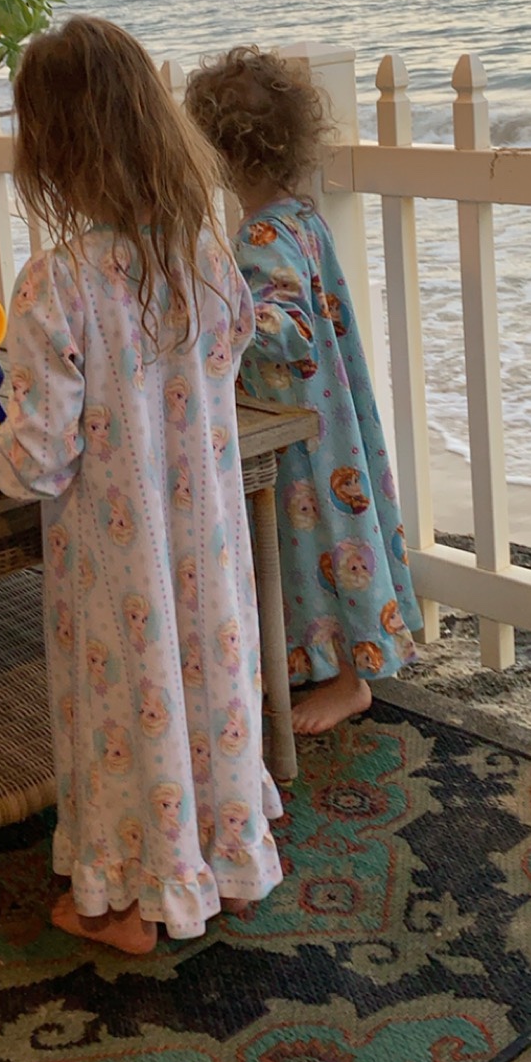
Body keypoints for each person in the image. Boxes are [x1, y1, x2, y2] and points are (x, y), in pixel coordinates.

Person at [0, 16, 282, 955]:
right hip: (207, 539)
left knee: (128, 712)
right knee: (212, 688)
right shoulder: (205, 252)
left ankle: (132, 903)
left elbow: (39, 457)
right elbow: (229, 353)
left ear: (48, 152)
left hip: (117, 563)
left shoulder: (57, 283)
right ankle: (227, 863)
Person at [185, 46, 422, 733]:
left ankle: (348, 680)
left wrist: (219, 311)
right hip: (329, 413)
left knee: (319, 540)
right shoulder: (302, 218)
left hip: (301, 428)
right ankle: (319, 664)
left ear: (220, 156)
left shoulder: (262, 235)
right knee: (315, 544)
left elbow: (288, 329)